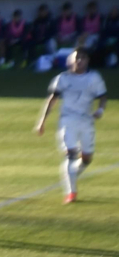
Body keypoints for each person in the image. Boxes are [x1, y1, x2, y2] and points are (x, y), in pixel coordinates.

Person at [35, 47, 107, 203]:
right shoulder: (62, 78)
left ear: (87, 61)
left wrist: (100, 110)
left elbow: (102, 96)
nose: (79, 61)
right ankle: (71, 193)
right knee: (71, 154)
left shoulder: (94, 77)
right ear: (71, 61)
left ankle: (70, 175)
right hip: (67, 120)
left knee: (87, 158)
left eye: (82, 58)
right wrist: (42, 121)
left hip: (86, 121)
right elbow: (52, 100)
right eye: (76, 58)